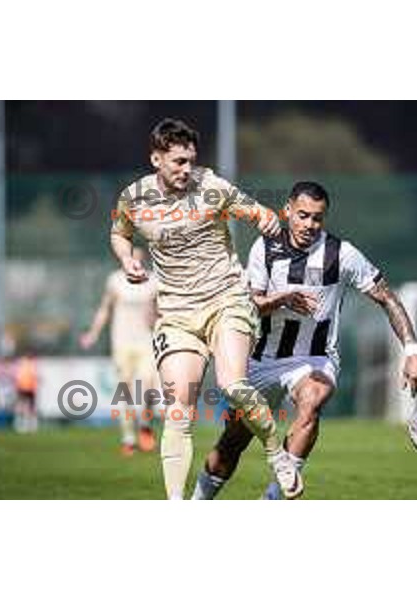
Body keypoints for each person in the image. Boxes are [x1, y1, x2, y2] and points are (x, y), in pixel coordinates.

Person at [191, 181, 417, 500]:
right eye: (303, 215)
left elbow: (387, 297)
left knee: (312, 401)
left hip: (315, 359)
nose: (309, 224)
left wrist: (412, 352)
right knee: (232, 442)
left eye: (317, 218)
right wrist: (282, 299)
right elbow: (248, 306)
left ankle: (273, 500)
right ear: (288, 210)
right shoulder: (266, 248)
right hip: (263, 360)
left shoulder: (341, 254)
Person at [110, 118, 302, 499]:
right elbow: (119, 232)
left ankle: (275, 451)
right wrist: (127, 259)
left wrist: (272, 226)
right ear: (156, 159)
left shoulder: (213, 187)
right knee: (178, 409)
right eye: (178, 161)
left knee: (233, 386)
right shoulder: (133, 198)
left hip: (226, 299)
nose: (186, 169)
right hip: (177, 314)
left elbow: (263, 217)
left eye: (190, 160)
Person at [80, 247, 158, 455]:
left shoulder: (153, 281)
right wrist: (92, 334)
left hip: (146, 343)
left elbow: (160, 312)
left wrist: (156, 318)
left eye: (140, 258)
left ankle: (145, 424)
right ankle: (128, 438)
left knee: (147, 385)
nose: (136, 262)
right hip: (122, 343)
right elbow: (105, 308)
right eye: (133, 258)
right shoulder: (115, 280)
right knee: (124, 391)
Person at [13, 351, 39, 434]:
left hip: (27, 388)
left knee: (27, 408)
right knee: (25, 408)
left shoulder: (25, 364)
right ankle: (24, 426)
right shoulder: (27, 364)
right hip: (25, 388)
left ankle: (26, 426)